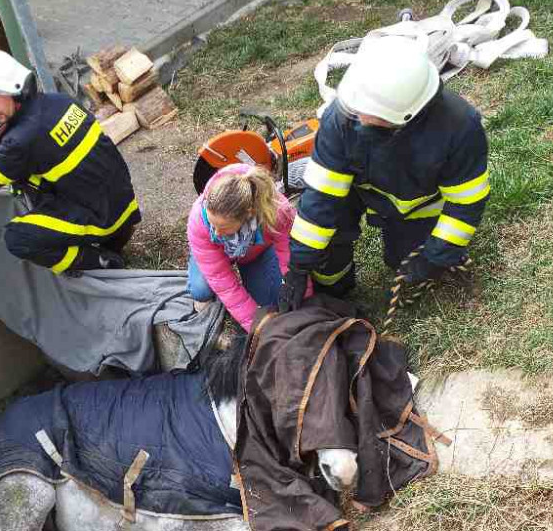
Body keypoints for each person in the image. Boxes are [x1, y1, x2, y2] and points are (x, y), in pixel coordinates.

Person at [278, 35, 490, 312]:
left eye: (372, 114)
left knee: (403, 263)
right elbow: (321, 196)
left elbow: (466, 203)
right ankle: (336, 287)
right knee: (327, 256)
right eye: (357, 108)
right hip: (354, 192)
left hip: (416, 206)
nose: (359, 118)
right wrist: (299, 265)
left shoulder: (460, 129)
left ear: (408, 115)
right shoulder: (341, 117)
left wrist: (435, 256)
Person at [0, 50, 141, 275]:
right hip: (124, 206)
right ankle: (108, 243)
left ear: (13, 87)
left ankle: (101, 262)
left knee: (18, 238)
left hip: (103, 219)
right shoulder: (60, 102)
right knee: (25, 181)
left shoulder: (22, 138)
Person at [187, 163, 306, 332]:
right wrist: (256, 329)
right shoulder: (200, 219)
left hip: (255, 253)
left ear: (249, 214)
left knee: (270, 300)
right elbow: (223, 281)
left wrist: (304, 301)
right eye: (213, 224)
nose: (216, 233)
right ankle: (198, 262)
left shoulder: (277, 212)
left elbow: (291, 257)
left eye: (224, 228)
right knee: (201, 291)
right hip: (212, 254)